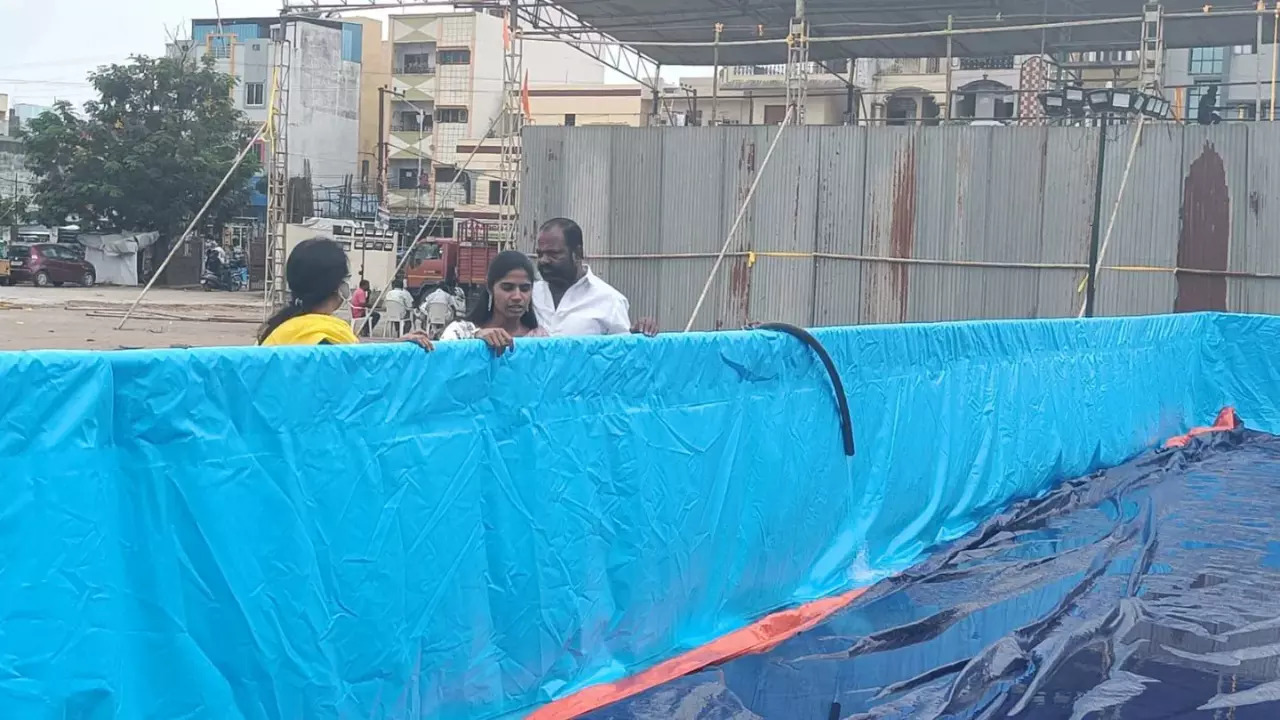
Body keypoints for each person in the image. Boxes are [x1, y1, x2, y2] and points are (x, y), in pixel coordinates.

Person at [259, 237, 432, 349]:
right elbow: (364, 372)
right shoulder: (328, 336)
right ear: (337, 287)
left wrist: (395, 345)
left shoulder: (277, 330)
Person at [532, 217, 659, 337]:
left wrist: (639, 334)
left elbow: (622, 352)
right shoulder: (529, 294)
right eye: (540, 254)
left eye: (553, 254)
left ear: (577, 253)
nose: (543, 260)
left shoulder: (610, 301)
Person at [440, 250, 548, 356]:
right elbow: (443, 363)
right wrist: (476, 340)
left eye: (525, 289)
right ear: (490, 288)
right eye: (507, 288)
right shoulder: (461, 332)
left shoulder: (540, 341)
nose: (517, 297)